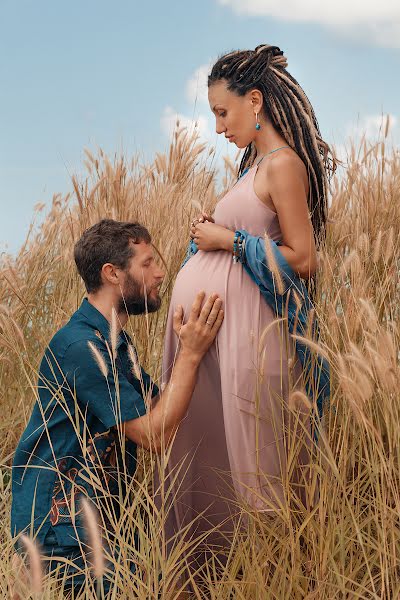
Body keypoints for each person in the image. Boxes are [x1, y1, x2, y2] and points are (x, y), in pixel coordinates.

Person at [161, 44, 335, 562]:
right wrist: (209, 235)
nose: (217, 127)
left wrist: (226, 241)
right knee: (212, 460)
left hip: (249, 340)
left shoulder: (283, 165)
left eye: (222, 112)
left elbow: (304, 259)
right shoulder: (253, 166)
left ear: (254, 100)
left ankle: (274, 576)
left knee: (256, 468)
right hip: (218, 342)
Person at [11, 218, 224, 595]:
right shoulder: (82, 347)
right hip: (62, 535)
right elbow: (154, 434)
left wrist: (197, 353)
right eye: (146, 263)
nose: (160, 273)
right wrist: (190, 355)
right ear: (112, 273)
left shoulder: (114, 345)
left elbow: (160, 407)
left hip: (98, 525)